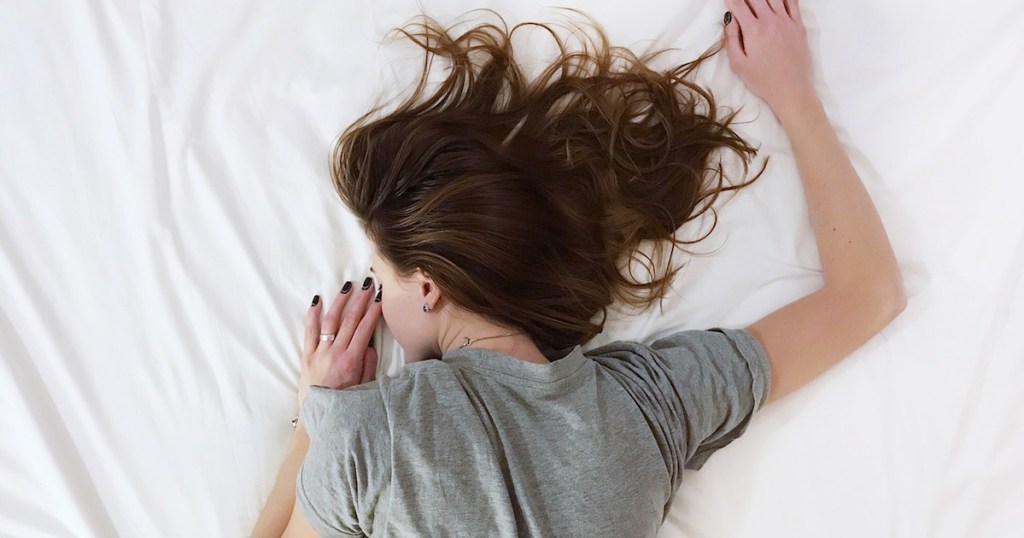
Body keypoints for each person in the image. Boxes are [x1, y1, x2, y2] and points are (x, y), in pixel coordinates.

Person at [254, 1, 906, 536]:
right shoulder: (651, 405)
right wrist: (794, 98)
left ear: (428, 285)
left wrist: (316, 415)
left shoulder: (370, 435)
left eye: (380, 274)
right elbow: (869, 294)